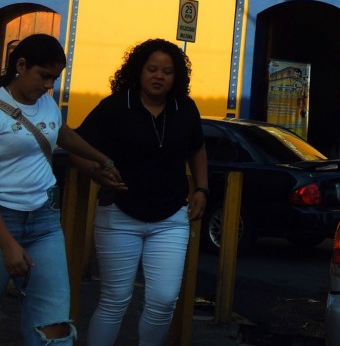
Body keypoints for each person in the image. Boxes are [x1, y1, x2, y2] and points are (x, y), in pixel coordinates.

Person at [73, 38, 209, 346]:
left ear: (177, 77)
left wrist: (202, 187)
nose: (159, 76)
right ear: (139, 71)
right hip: (119, 214)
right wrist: (96, 173)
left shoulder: (184, 108)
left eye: (167, 71)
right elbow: (76, 147)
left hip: (172, 217)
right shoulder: (116, 106)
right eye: (152, 69)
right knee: (115, 299)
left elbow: (197, 149)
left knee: (163, 300)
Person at [0, 34, 124, 346]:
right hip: (3, 223)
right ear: (21, 65)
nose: (48, 85)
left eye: (54, 78)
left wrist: (102, 160)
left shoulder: (47, 104)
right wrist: (8, 244)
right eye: (43, 76)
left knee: (53, 324)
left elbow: (62, 134)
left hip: (44, 222)